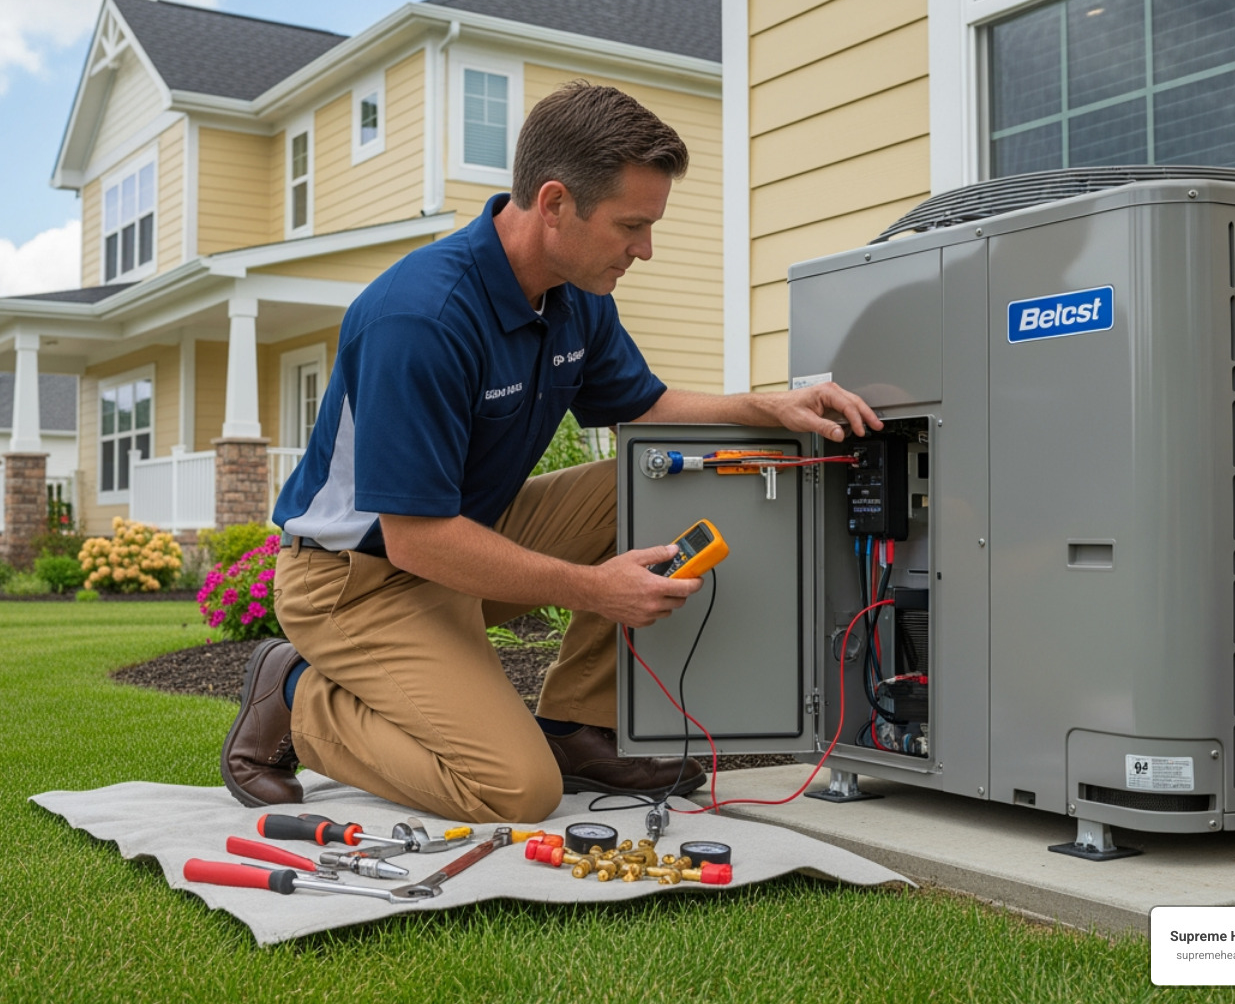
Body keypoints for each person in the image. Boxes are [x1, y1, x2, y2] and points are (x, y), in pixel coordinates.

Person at [219, 81, 880, 824]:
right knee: (516, 791)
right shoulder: (422, 319)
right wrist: (594, 589)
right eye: (631, 226)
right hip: (358, 579)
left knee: (645, 478)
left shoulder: (577, 295)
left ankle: (575, 724)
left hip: (465, 538)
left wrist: (761, 407)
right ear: (556, 204)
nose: (646, 250)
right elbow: (413, 538)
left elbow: (646, 407)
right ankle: (294, 694)